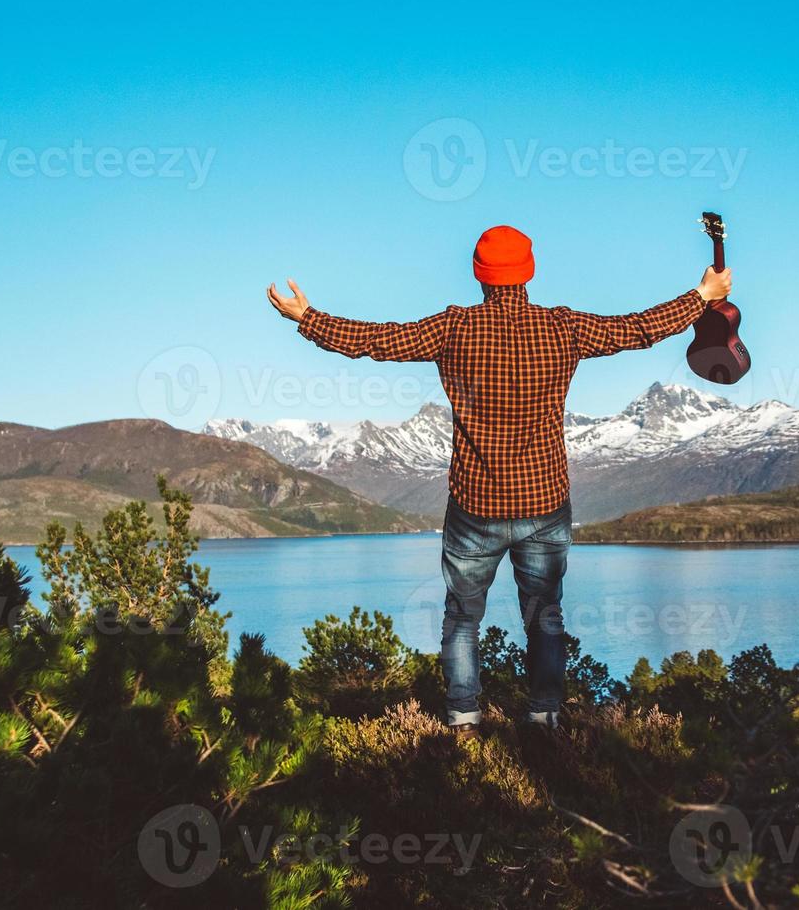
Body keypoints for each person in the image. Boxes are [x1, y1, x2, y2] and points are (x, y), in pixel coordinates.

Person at [268, 225, 732, 738]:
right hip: (544, 505)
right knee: (544, 616)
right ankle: (544, 716)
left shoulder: (453, 328)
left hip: (474, 508)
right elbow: (638, 328)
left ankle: (464, 718)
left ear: (479, 274)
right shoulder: (563, 328)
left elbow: (376, 341)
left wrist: (308, 318)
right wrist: (700, 298)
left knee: (463, 619)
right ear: (529, 272)